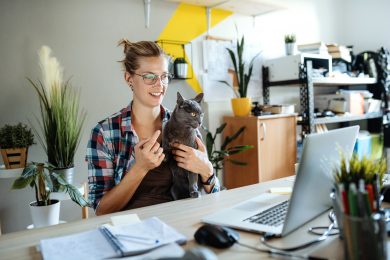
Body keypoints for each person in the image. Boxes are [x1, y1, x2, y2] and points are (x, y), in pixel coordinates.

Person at [86, 39, 220, 216]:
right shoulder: (105, 134)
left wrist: (207, 170)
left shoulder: (187, 124)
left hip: (183, 222)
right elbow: (102, 210)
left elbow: (215, 196)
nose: (160, 84)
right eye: (150, 76)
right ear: (129, 78)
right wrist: (140, 168)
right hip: (133, 232)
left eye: (164, 76)